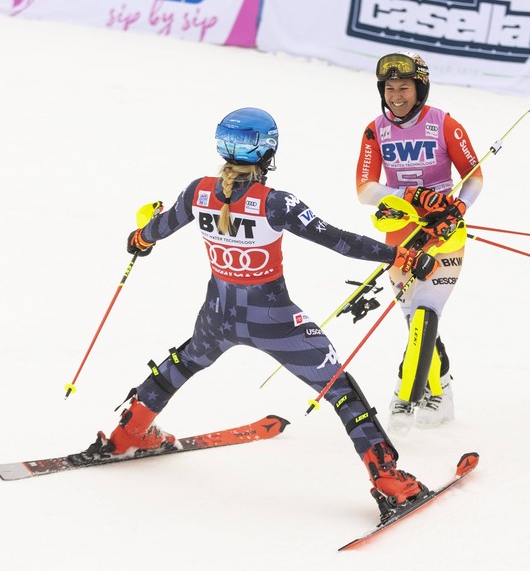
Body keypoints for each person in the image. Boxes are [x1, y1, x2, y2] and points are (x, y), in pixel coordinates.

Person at [82, 107, 439, 511]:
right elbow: (339, 241)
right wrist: (399, 255)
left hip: (217, 318)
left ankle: (128, 433)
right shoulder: (276, 203)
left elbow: (156, 229)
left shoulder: (198, 191)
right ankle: (389, 479)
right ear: (268, 151)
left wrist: (140, 237)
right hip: (275, 323)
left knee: (182, 362)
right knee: (339, 387)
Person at [355, 52, 483, 431]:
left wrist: (458, 205)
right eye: (390, 88)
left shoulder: (444, 124)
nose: (396, 96)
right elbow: (364, 189)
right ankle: (441, 392)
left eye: (404, 88)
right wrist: (410, 196)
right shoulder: (374, 129)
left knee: (425, 315)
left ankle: (403, 398)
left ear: (420, 88)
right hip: (399, 235)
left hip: (444, 232)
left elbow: (475, 176)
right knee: (415, 322)